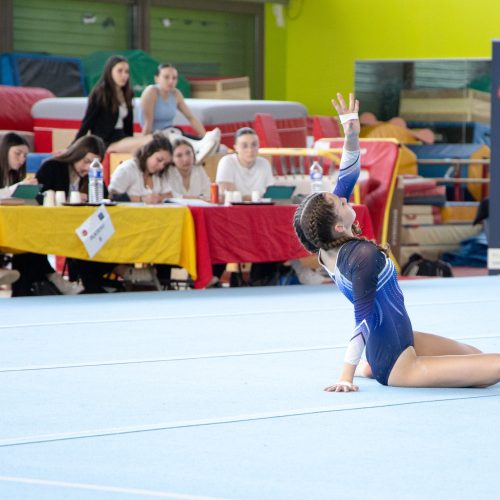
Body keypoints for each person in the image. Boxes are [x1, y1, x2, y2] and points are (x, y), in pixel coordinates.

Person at [294, 92, 500, 392]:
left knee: (476, 357)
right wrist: (345, 377)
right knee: (493, 368)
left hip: (401, 338)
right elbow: (362, 318)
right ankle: (373, 367)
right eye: (339, 201)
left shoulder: (327, 245)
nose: (342, 195)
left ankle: (371, 365)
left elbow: (347, 175)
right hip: (399, 364)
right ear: (339, 224)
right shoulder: (361, 255)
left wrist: (351, 134)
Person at [75, 56, 220, 164]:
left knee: (169, 135)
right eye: (120, 71)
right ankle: (196, 149)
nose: (124, 75)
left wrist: (135, 142)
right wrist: (74, 148)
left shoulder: (127, 93)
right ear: (109, 71)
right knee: (158, 138)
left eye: (126, 71)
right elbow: (87, 122)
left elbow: (128, 127)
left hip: (123, 138)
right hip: (106, 141)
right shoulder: (100, 93)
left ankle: (202, 143)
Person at [0, 133, 83, 296]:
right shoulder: (13, 180)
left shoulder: (14, 176)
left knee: (32, 242)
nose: (21, 159)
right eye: (17, 153)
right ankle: (52, 277)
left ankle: (44, 279)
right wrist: (16, 189)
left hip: (13, 226)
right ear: (4, 151)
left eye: (25, 155)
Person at [215, 127, 279, 286]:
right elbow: (226, 192)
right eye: (244, 145)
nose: (250, 149)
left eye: (254, 144)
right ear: (235, 147)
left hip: (259, 219)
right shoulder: (227, 162)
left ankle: (261, 279)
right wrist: (254, 196)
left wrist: (248, 196)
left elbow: (270, 194)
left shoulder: (264, 163)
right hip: (232, 219)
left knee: (276, 233)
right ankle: (216, 277)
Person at [109, 133, 174, 204]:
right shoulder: (127, 168)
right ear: (148, 153)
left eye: (165, 164)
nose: (162, 166)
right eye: (159, 160)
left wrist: (158, 198)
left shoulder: (161, 173)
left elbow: (169, 195)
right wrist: (141, 199)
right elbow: (112, 196)